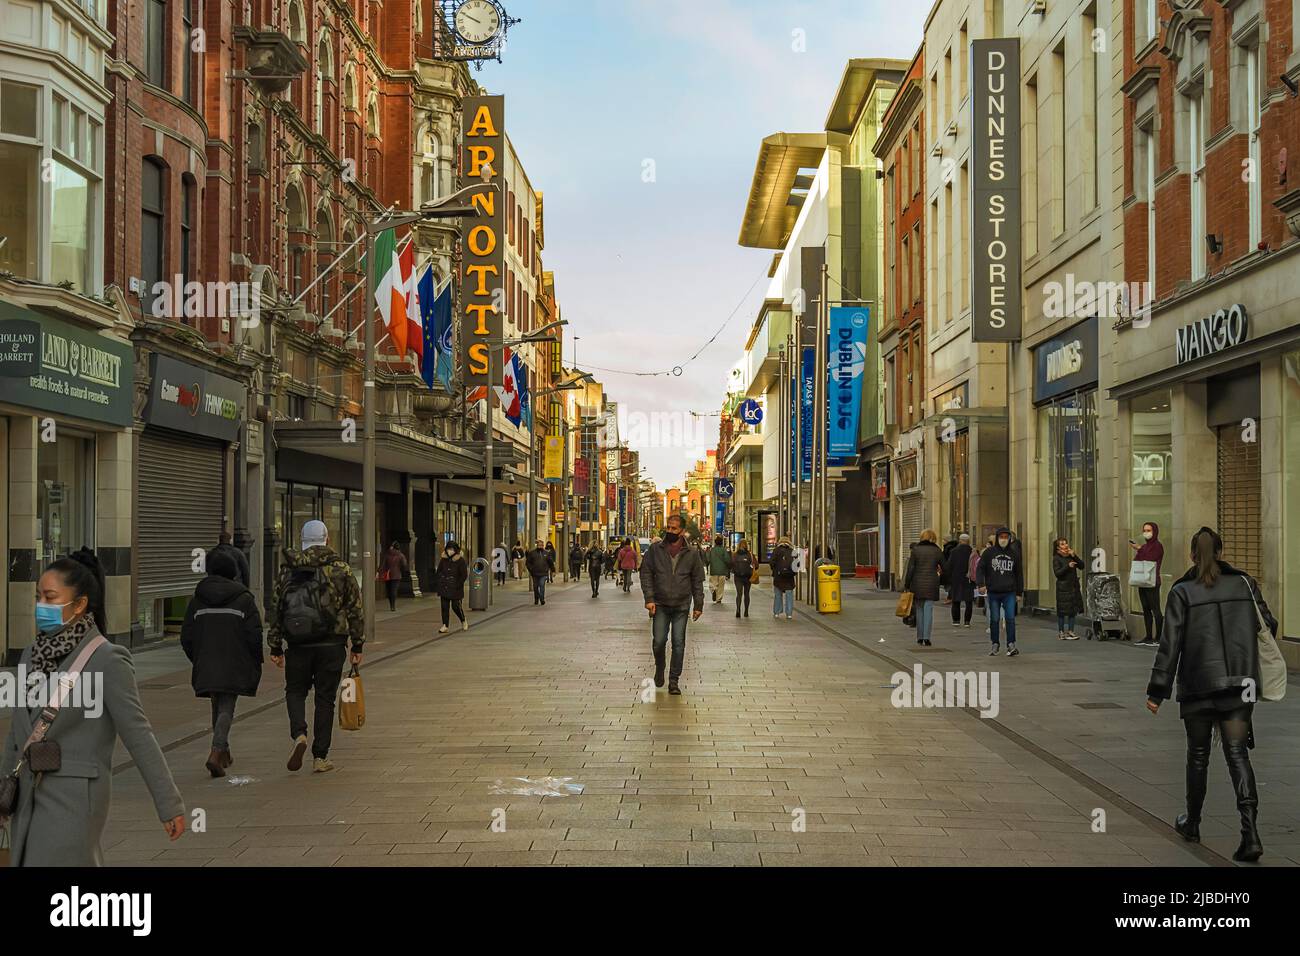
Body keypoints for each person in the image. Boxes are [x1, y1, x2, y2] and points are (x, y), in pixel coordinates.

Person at [0, 548, 186, 865]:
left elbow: (139, 735)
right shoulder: (31, 653)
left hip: (74, 799)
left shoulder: (107, 658)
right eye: (38, 597)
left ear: (80, 604)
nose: (40, 606)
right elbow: (18, 733)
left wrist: (169, 804)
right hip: (27, 798)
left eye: (51, 597)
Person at [1147, 527, 1274, 863]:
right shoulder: (1245, 584)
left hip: (1199, 686)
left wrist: (1157, 691)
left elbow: (1169, 645)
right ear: (1220, 551)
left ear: (1192, 555)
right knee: (1238, 755)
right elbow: (1268, 625)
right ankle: (1250, 834)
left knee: (1198, 756)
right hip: (1240, 686)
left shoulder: (1182, 591)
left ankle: (1193, 823)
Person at [267, 519, 364, 773]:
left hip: (298, 643)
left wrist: (275, 646)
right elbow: (355, 609)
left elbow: (276, 608)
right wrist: (358, 644)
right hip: (332, 644)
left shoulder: (288, 570)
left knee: (295, 691)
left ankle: (299, 734)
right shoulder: (341, 569)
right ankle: (320, 756)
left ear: (302, 540)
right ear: (327, 539)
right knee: (325, 699)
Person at [180, 549, 264, 777]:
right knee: (227, 704)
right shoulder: (244, 599)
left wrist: (197, 657)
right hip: (233, 660)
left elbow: (186, 634)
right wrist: (256, 660)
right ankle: (216, 752)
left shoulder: (198, 599)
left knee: (217, 703)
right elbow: (254, 634)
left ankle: (224, 750)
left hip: (206, 660)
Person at [639, 514, 705, 695]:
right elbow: (646, 573)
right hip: (660, 603)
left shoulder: (691, 553)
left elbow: (698, 580)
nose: (670, 531)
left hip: (681, 605)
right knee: (658, 642)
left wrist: (698, 605)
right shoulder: (655, 550)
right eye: (668, 527)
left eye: (674, 528)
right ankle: (660, 668)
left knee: (678, 643)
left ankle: (674, 680)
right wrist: (649, 599)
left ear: (682, 531)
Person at [976, 526, 1024, 656]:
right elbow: (980, 569)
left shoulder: (1014, 554)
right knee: (995, 619)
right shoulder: (989, 553)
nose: (1003, 540)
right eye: (1001, 537)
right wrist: (981, 584)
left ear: (1009, 539)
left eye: (1006, 537)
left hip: (1009, 591)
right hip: (994, 591)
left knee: (1010, 618)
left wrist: (1019, 592)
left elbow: (1019, 573)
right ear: (997, 538)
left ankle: (1011, 644)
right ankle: (995, 643)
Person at [903, 530, 944, 647]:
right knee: (928, 610)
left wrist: (907, 584)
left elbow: (910, 569)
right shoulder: (937, 551)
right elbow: (945, 566)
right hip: (931, 584)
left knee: (919, 610)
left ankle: (920, 637)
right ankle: (927, 638)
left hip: (917, 584)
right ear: (933, 538)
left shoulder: (916, 550)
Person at [1131, 521, 1165, 646]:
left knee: (1155, 609)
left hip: (1153, 582)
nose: (1146, 533)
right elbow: (1138, 561)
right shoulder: (1144, 547)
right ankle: (1148, 636)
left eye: (1148, 530)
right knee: (1145, 609)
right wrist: (1140, 550)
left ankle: (1159, 637)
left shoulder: (1157, 546)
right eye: (1144, 530)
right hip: (1142, 581)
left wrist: (1140, 549)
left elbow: (1150, 559)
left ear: (1154, 531)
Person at [1052, 537, 1085, 641]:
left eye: (1066, 543)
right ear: (1058, 548)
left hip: (1073, 586)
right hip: (1063, 588)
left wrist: (1074, 556)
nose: (1065, 545)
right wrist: (1068, 566)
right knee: (1062, 611)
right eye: (1062, 544)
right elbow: (1057, 573)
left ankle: (1071, 631)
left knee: (1072, 610)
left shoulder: (1071, 556)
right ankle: (1061, 632)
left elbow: (1082, 566)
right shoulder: (1056, 558)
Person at [434, 540, 469, 633]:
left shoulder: (460, 561)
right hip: (444, 587)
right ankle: (445, 625)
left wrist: (458, 584)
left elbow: (464, 575)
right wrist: (440, 580)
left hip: (455, 589)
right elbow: (439, 571)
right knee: (444, 607)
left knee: (456, 607)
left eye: (452, 549)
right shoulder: (443, 559)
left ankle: (463, 619)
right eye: (448, 549)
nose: (450, 551)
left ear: (456, 550)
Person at [947, 533, 974, 627]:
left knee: (956, 600)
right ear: (968, 541)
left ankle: (956, 620)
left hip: (956, 578)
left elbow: (949, 565)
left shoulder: (954, 551)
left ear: (960, 540)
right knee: (969, 601)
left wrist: (949, 577)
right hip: (969, 578)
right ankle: (967, 621)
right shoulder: (972, 551)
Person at [770, 536, 797, 619]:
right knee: (789, 595)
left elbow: (771, 562)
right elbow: (796, 564)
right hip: (789, 577)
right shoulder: (792, 551)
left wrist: (775, 571)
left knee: (778, 595)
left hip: (778, 577)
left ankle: (777, 612)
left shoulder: (776, 550)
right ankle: (789, 614)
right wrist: (793, 573)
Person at [731, 539, 755, 619]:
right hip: (748, 577)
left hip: (738, 577)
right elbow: (756, 565)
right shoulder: (750, 554)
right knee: (747, 594)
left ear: (738, 545)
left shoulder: (735, 555)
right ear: (746, 545)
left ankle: (738, 609)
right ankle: (746, 611)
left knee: (739, 594)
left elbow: (732, 565)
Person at [381, 541, 407, 612]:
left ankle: (391, 603)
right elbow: (404, 564)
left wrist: (381, 572)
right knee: (394, 590)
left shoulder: (387, 554)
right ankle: (393, 605)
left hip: (388, 575)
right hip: (397, 575)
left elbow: (383, 565)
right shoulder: (401, 555)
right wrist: (401, 570)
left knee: (389, 590)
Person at [706, 535, 732, 604]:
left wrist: (707, 563)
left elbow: (708, 559)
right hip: (722, 570)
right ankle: (719, 599)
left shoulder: (712, 550)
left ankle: (713, 590)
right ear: (721, 543)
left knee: (713, 583)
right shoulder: (724, 550)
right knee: (721, 585)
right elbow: (727, 559)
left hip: (713, 570)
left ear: (715, 542)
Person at [526, 539, 551, 605]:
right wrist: (531, 569)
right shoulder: (532, 553)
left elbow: (550, 562)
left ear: (543, 546)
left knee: (542, 585)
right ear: (537, 545)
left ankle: (542, 599)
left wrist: (553, 570)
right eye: (539, 545)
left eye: (541, 545)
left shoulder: (546, 553)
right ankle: (536, 599)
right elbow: (528, 563)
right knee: (535, 587)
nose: (540, 546)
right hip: (535, 573)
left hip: (543, 573)